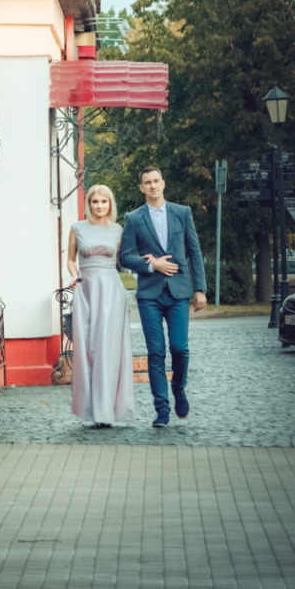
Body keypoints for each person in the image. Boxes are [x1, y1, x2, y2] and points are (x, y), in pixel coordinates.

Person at [117, 166, 207, 428]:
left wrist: (199, 290)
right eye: (147, 182)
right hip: (149, 295)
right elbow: (125, 256)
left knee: (179, 347)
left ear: (163, 184)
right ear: (141, 187)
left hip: (179, 292)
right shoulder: (133, 218)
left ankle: (179, 388)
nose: (153, 185)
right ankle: (162, 410)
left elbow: (194, 251)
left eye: (156, 181)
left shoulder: (182, 212)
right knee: (155, 352)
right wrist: (152, 265)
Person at [67, 184, 135, 427]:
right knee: (90, 349)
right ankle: (92, 408)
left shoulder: (118, 230)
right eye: (95, 201)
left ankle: (106, 411)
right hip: (86, 289)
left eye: (103, 201)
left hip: (112, 291)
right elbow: (70, 259)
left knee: (108, 348)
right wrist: (74, 276)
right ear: (89, 204)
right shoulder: (77, 228)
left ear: (110, 204)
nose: (99, 206)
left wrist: (148, 260)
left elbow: (126, 258)